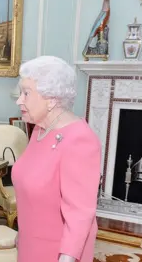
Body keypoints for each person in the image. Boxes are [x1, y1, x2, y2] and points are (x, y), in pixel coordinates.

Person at [12, 56, 101, 262]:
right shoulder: (40, 129)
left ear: (51, 99)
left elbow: (80, 214)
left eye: (26, 93)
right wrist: (22, 233)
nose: (19, 100)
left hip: (58, 252)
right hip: (31, 243)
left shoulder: (80, 140)